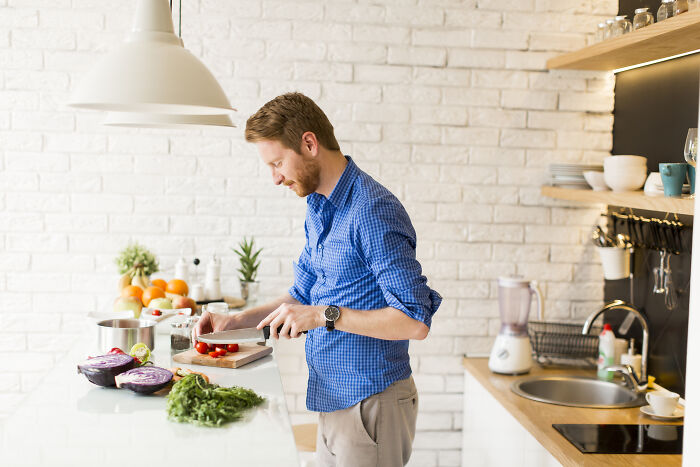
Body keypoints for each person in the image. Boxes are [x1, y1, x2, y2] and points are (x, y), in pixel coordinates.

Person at [193, 92, 441, 467]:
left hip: (371, 402)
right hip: (334, 398)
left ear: (309, 143)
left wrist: (324, 315)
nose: (275, 177)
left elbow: (414, 321)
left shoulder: (373, 211)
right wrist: (235, 322)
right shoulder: (318, 206)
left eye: (277, 162)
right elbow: (301, 295)